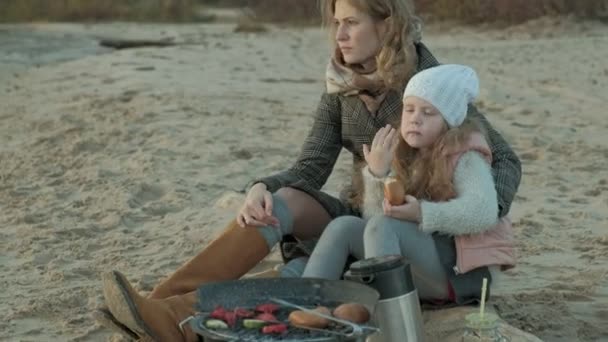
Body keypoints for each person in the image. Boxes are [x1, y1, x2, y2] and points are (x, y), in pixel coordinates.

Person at [98, 0, 521, 340]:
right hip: (367, 213)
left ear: (386, 22)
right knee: (278, 203)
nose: (339, 35)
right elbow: (310, 167)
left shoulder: (430, 87)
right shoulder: (341, 90)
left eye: (351, 22)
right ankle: (161, 305)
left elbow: (501, 158)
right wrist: (261, 187)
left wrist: (471, 218)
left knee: (300, 276)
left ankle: (179, 322)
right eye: (337, 22)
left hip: (421, 241)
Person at [301, 64, 515, 304]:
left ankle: (387, 315)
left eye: (428, 112)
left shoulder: (466, 157)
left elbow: (482, 213)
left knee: (386, 225)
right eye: (410, 110)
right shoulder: (407, 154)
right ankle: (307, 304)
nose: (415, 119)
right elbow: (373, 225)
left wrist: (421, 213)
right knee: (344, 226)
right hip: (424, 268)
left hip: (463, 275)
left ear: (450, 120)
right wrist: (377, 174)